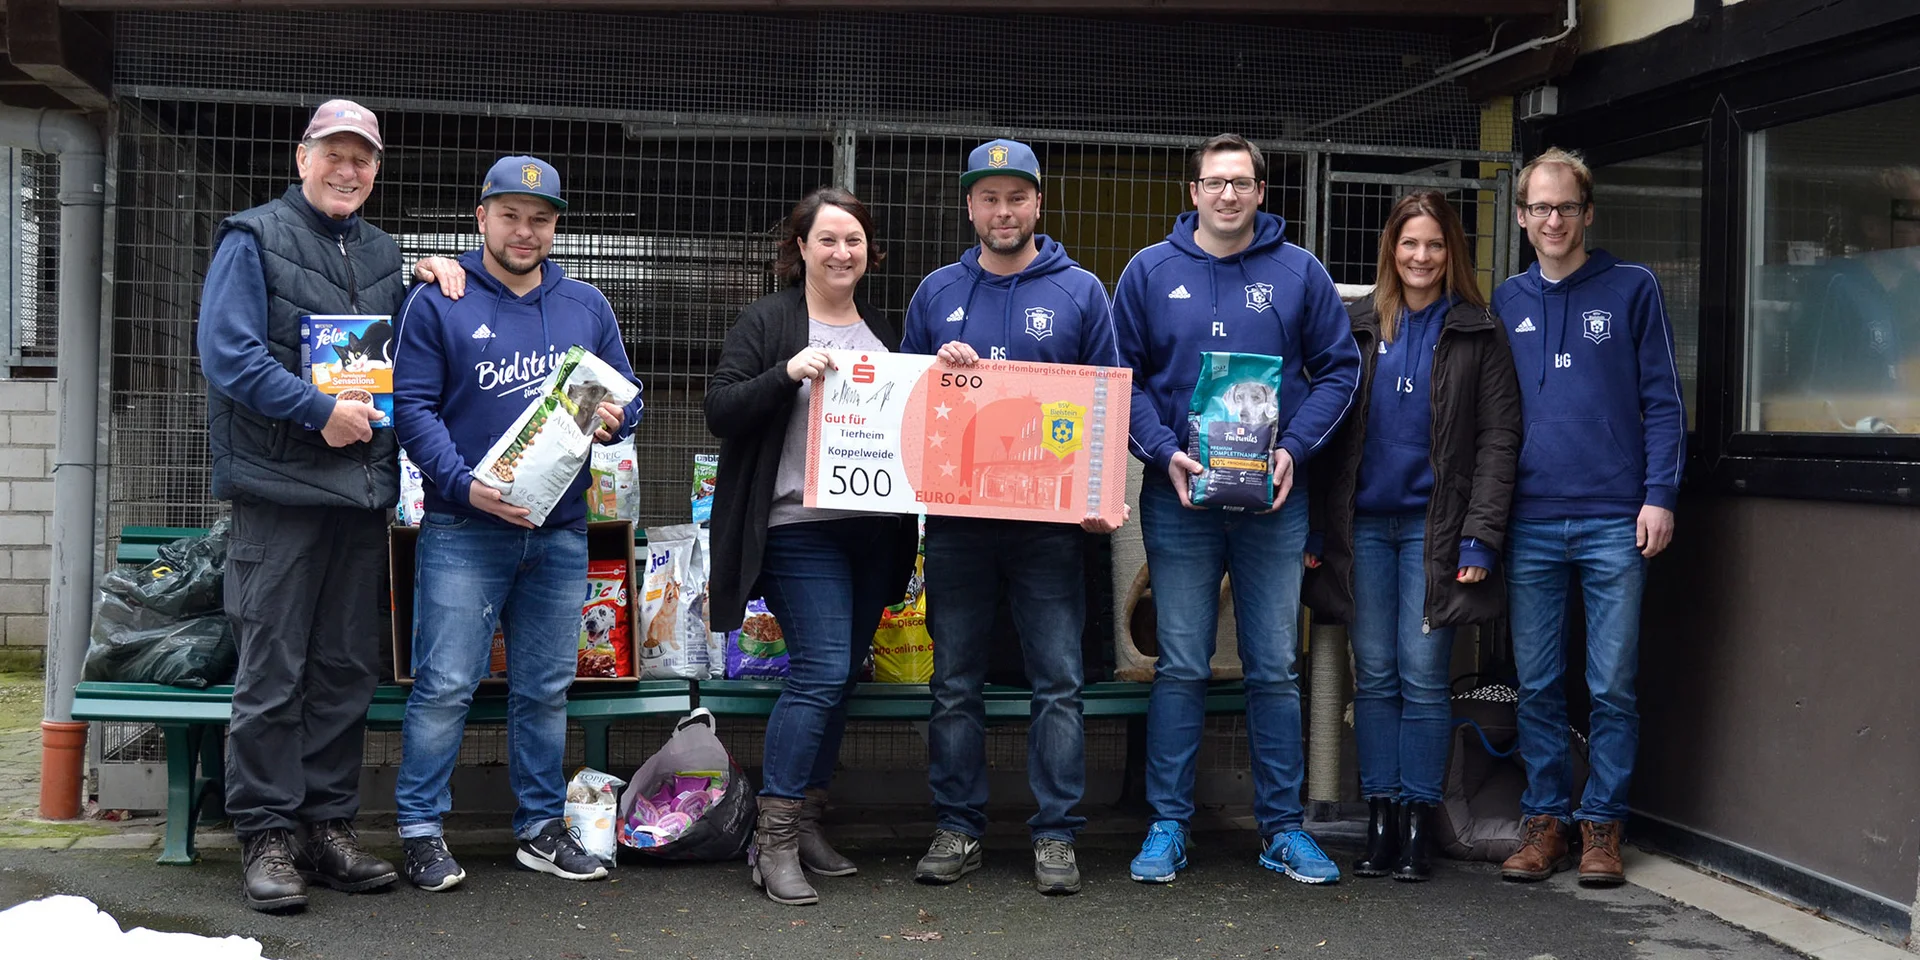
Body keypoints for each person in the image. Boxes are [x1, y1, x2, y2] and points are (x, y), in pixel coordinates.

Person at [197, 99, 437, 912]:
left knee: (342, 672)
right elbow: (227, 355)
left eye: (363, 158)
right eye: (334, 154)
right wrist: (316, 411)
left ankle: (328, 827)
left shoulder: (381, 251)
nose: (348, 169)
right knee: (272, 672)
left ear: (375, 170)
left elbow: (394, 351)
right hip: (278, 496)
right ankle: (266, 836)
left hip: (361, 495)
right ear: (303, 158)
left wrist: (431, 281)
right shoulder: (252, 237)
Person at [391, 155, 644, 891]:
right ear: (481, 218)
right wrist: (465, 487)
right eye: (510, 214)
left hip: (560, 529)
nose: (525, 230)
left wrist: (613, 419)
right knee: (446, 684)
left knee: (544, 687)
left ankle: (539, 826)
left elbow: (630, 403)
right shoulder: (443, 298)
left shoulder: (585, 305)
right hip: (465, 528)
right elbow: (412, 409)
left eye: (540, 218)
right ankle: (419, 828)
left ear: (556, 225)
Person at [1114, 134, 1361, 885]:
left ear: (1261, 192)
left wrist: (1295, 451)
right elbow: (1118, 378)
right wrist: (1164, 454)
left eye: (1242, 182)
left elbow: (1340, 370)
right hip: (1180, 496)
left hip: (1276, 500)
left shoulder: (1299, 273)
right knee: (1182, 664)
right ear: (1193, 192)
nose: (1228, 195)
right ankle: (1168, 825)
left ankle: (1283, 829)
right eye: (1215, 182)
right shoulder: (1149, 272)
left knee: (1274, 669)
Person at [898, 139, 1125, 897]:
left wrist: (1097, 496)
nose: (1003, 212)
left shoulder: (1082, 291)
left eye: (1016, 197)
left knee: (1057, 680)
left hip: (1049, 529)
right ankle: (957, 826)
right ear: (969, 207)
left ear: (1038, 203)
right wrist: (941, 377)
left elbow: (1104, 402)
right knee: (954, 680)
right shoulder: (935, 293)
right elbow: (908, 406)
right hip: (959, 523)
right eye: (989, 198)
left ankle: (1056, 835)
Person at [705, 187, 918, 906]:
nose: (841, 252)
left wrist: (944, 373)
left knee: (843, 674)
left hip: (872, 531)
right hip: (797, 528)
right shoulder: (769, 321)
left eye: (853, 240)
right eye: (826, 239)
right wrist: (785, 373)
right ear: (800, 248)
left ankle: (812, 818)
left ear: (870, 252)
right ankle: (774, 840)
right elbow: (720, 408)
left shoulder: (881, 329)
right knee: (822, 668)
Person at [1301, 191, 1522, 882]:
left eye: (1434, 245)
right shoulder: (1355, 326)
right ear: (1390, 250)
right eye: (1409, 244)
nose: (1421, 257)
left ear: (1450, 251)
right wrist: (1312, 528)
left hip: (1438, 533)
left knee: (1423, 680)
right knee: (1375, 678)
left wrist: (1481, 541)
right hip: (1362, 528)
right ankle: (1382, 820)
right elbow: (1322, 431)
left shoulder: (1477, 331)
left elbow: (1498, 442)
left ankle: (1421, 822)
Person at [1491, 147, 1685, 886]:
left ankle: (1602, 827)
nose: (1552, 219)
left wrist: (1659, 494)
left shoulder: (1632, 288)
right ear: (1520, 216)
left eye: (1565, 206)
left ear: (1587, 212)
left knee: (1611, 684)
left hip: (1615, 518)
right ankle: (1546, 822)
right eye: (1538, 207)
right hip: (1531, 518)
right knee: (1537, 683)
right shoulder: (1506, 300)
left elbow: (1665, 401)